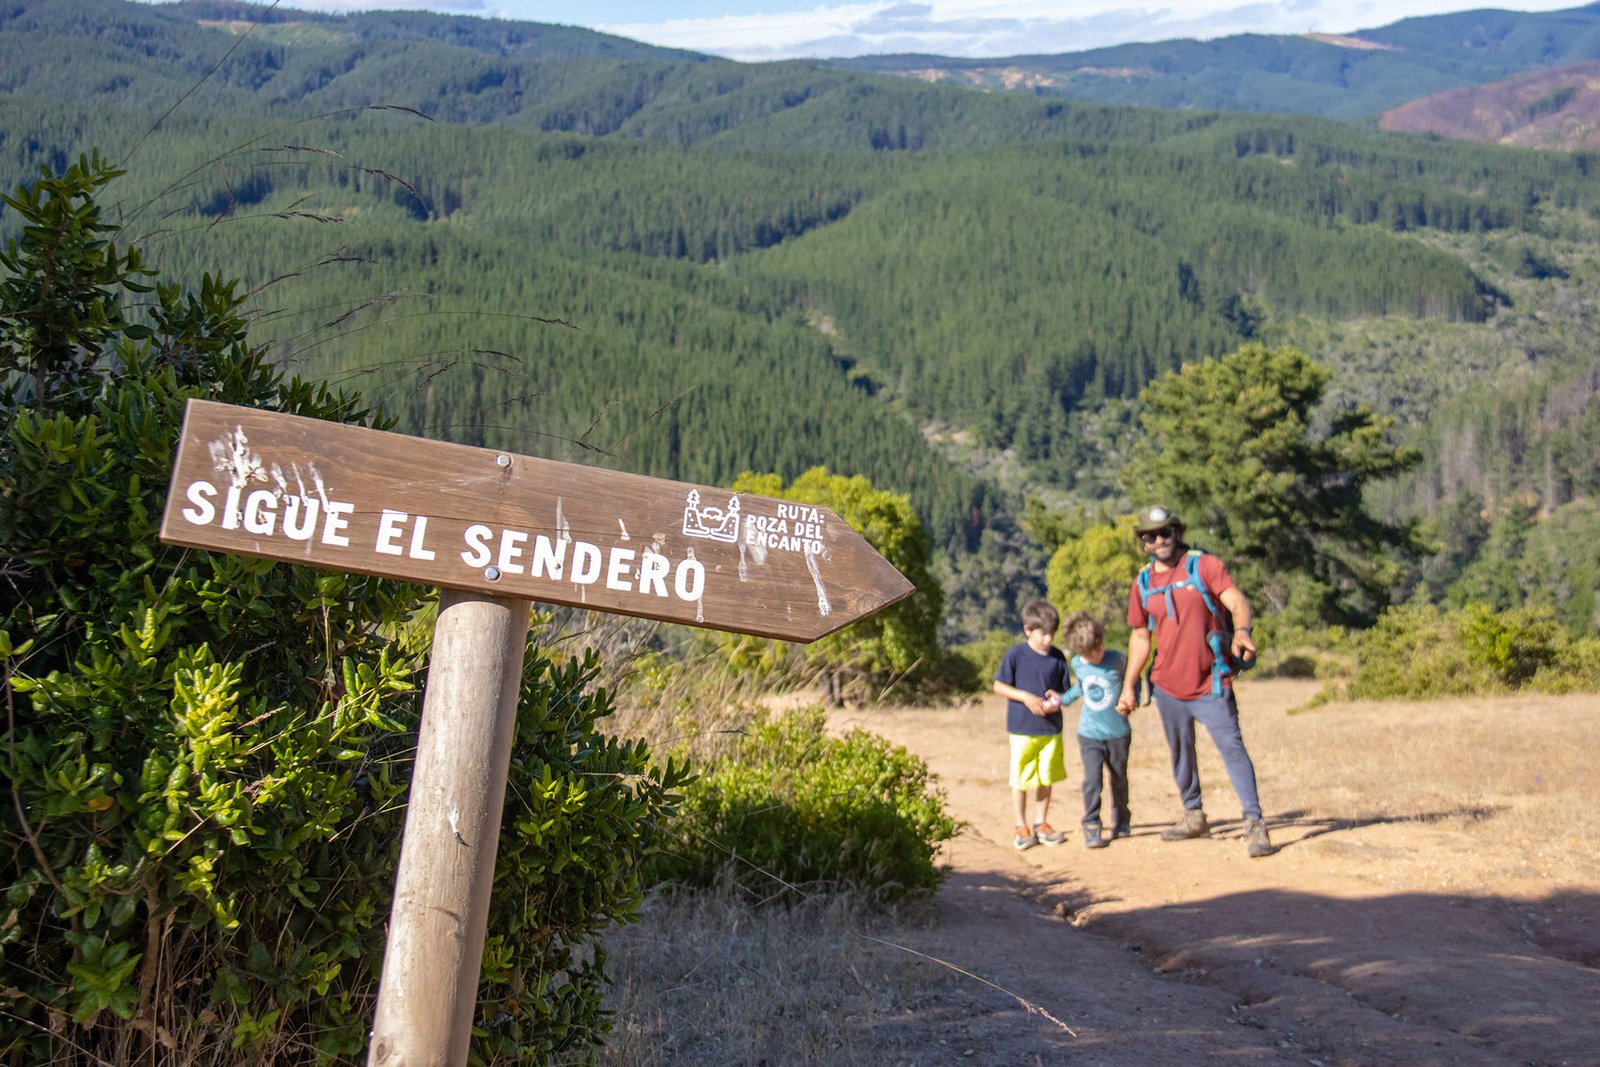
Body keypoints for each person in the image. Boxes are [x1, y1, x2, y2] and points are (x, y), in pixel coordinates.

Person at [1115, 506, 1276, 858]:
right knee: (1180, 754)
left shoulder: (1204, 566)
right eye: (1150, 535)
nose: (1159, 540)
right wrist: (1129, 685)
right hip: (1167, 686)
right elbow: (1140, 637)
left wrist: (1243, 631)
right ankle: (1193, 815)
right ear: (1142, 542)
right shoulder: (1142, 583)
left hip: (1211, 681)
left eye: (1165, 532)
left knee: (1232, 749)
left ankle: (1254, 822)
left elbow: (1236, 601)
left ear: (1177, 532)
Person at [993, 598, 1071, 850]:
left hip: (1050, 729)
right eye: (1043, 634)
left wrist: (1055, 703)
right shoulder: (1015, 655)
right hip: (1022, 730)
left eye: (1051, 634)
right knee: (1021, 779)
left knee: (1046, 777)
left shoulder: (1058, 657)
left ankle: (1041, 823)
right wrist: (1025, 697)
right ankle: (1021, 825)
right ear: (1028, 629)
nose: (1048, 639)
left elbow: (1065, 693)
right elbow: (998, 686)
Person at [1057, 612, 1132, 849]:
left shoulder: (1118, 660)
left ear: (1101, 639)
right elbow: (1081, 687)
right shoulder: (1078, 663)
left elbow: (1133, 682)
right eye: (1088, 654)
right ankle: (1091, 823)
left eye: (1096, 649)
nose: (1094, 656)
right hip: (1089, 734)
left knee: (1119, 779)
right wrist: (1063, 699)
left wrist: (1135, 698)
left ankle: (1121, 820)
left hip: (1118, 733)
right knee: (1092, 780)